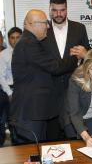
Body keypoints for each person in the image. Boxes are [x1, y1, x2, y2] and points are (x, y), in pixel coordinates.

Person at [10, 9, 77, 143]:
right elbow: (55, 67)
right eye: (45, 22)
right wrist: (76, 58)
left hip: (33, 112)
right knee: (31, 155)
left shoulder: (29, 42)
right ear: (31, 24)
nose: (48, 26)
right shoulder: (29, 43)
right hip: (30, 113)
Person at [42, 0, 90, 140]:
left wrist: (85, 53)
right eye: (55, 10)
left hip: (74, 88)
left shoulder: (79, 28)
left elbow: (87, 56)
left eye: (62, 10)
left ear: (66, 9)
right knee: (52, 137)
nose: (58, 14)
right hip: (50, 91)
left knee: (74, 135)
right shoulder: (43, 29)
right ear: (50, 9)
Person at [0, 27, 22, 146]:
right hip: (8, 90)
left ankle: (22, 144)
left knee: (22, 120)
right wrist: (9, 93)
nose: (15, 40)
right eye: (12, 38)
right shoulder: (3, 55)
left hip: (24, 90)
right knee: (10, 120)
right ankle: (12, 144)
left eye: (18, 37)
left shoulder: (27, 52)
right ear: (8, 40)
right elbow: (1, 77)